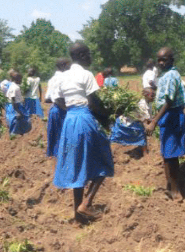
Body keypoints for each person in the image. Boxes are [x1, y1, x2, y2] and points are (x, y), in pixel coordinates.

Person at [53, 43, 114, 223]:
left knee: (76, 165)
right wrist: (107, 116)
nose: (90, 57)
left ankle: (77, 214)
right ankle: (86, 203)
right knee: (104, 160)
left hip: (70, 121)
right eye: (88, 54)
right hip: (84, 118)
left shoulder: (63, 77)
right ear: (81, 55)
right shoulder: (86, 74)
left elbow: (56, 99)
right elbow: (93, 101)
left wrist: (71, 109)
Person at [149, 47, 185, 201]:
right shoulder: (166, 75)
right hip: (167, 116)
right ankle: (170, 187)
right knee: (167, 155)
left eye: (164, 59)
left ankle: (176, 192)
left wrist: (154, 121)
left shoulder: (171, 75)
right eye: (159, 60)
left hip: (172, 116)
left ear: (171, 60)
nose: (160, 62)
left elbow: (169, 101)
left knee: (171, 157)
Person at [111, 87, 153, 156]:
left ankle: (143, 149)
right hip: (125, 122)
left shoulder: (149, 103)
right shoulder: (142, 104)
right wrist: (150, 126)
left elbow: (149, 118)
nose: (154, 97)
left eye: (154, 95)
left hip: (133, 121)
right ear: (146, 95)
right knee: (142, 132)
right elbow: (145, 120)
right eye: (152, 95)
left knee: (142, 133)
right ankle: (145, 153)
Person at [44, 58, 71, 158]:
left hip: (55, 110)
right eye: (69, 65)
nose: (70, 68)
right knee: (64, 141)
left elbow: (47, 99)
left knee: (57, 141)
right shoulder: (64, 78)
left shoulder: (52, 79)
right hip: (62, 110)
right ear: (64, 66)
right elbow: (60, 99)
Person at [4, 70, 31, 136]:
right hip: (15, 106)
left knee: (16, 120)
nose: (21, 80)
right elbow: (13, 99)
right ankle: (17, 133)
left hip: (13, 105)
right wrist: (17, 111)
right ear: (17, 79)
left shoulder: (12, 85)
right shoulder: (15, 87)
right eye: (20, 79)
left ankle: (18, 132)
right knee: (19, 119)